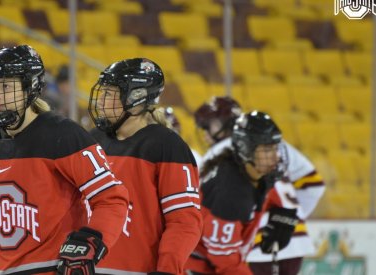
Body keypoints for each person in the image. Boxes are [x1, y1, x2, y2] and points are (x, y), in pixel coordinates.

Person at [0, 45, 129, 275]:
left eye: (5, 86)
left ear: (30, 87)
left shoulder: (64, 135)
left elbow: (111, 199)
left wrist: (91, 242)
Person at [88, 58, 202, 274]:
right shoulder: (91, 140)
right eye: (102, 93)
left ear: (136, 98)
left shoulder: (168, 146)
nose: (101, 101)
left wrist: (168, 269)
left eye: (110, 94)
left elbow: (184, 221)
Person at [193, 96, 326, 275]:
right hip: (272, 243)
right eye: (268, 150)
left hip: (254, 245)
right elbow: (314, 184)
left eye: (211, 125)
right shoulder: (230, 188)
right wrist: (294, 216)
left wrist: (284, 213)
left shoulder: (239, 157)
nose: (277, 157)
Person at [185, 111, 299, 275]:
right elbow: (224, 260)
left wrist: (281, 210)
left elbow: (262, 190)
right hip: (195, 266)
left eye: (275, 148)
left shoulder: (249, 169)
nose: (275, 157)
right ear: (246, 149)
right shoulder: (231, 192)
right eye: (267, 150)